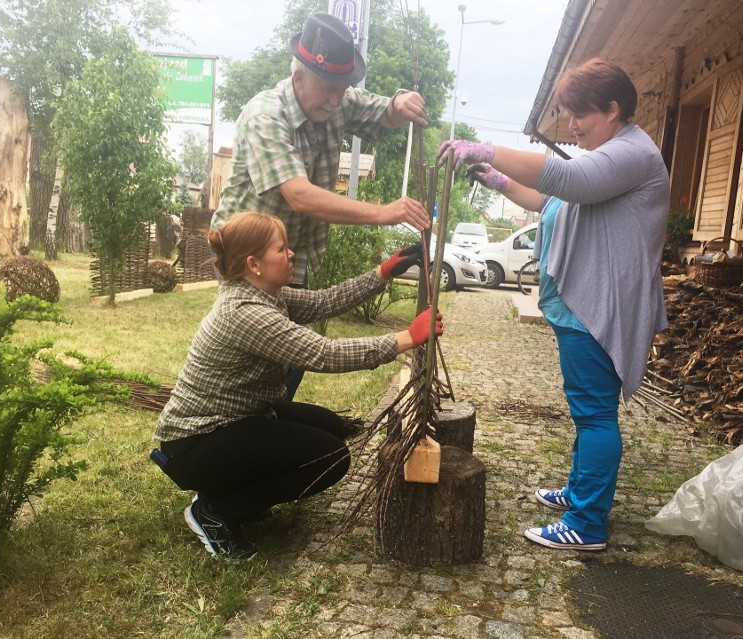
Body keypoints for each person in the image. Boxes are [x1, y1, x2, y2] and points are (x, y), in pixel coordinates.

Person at [446, 58, 669, 551]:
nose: (571, 126)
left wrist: (487, 147)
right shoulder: (610, 155)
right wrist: (491, 176)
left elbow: (567, 182)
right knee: (585, 410)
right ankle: (579, 491)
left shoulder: (631, 153)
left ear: (613, 109)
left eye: (579, 115)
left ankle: (587, 524)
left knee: (594, 414)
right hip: (581, 308)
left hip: (598, 309)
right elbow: (546, 199)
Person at [152, 211, 443, 561]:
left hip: (235, 422)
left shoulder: (263, 294)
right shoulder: (246, 313)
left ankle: (234, 488)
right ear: (254, 263)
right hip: (197, 442)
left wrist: (381, 273)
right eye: (281, 248)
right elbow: (324, 354)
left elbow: (323, 302)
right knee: (331, 458)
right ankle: (216, 510)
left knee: (331, 428)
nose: (290, 254)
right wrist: (406, 338)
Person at [213, 12, 430, 401]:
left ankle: (269, 422)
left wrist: (402, 102)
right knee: (263, 361)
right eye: (328, 88)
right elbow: (300, 195)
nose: (336, 100)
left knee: (290, 359)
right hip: (248, 261)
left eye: (343, 88)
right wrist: (385, 213)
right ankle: (237, 427)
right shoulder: (265, 115)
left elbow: (386, 111)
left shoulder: (337, 102)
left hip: (293, 256)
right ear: (298, 78)